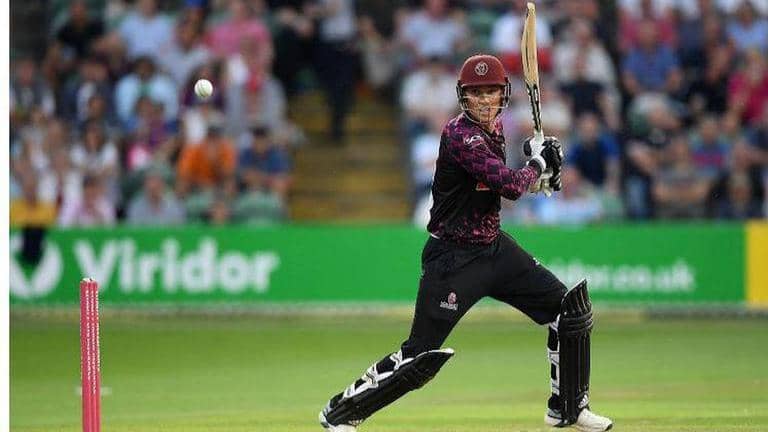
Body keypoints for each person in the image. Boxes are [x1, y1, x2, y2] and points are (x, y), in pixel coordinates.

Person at [318, 54, 613, 432]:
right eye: (476, 93)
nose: (485, 100)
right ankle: (341, 412)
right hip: (453, 259)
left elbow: (502, 183)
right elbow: (508, 185)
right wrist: (537, 165)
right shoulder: (460, 135)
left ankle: (568, 408)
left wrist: (542, 172)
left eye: (491, 91)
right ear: (463, 96)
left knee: (569, 312)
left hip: (494, 249)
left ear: (503, 94)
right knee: (420, 357)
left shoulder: (497, 128)